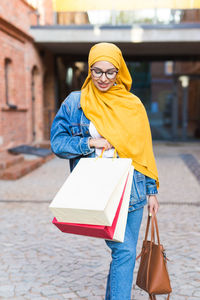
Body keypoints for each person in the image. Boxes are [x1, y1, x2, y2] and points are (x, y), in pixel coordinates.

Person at [51, 42, 159, 300]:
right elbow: (57, 143)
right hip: (94, 187)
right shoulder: (76, 102)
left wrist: (152, 191)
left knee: (124, 252)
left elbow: (144, 149)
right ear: (89, 70)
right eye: (97, 71)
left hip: (131, 187)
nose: (103, 78)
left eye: (110, 72)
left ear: (119, 71)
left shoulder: (132, 104)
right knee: (123, 251)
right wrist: (88, 142)